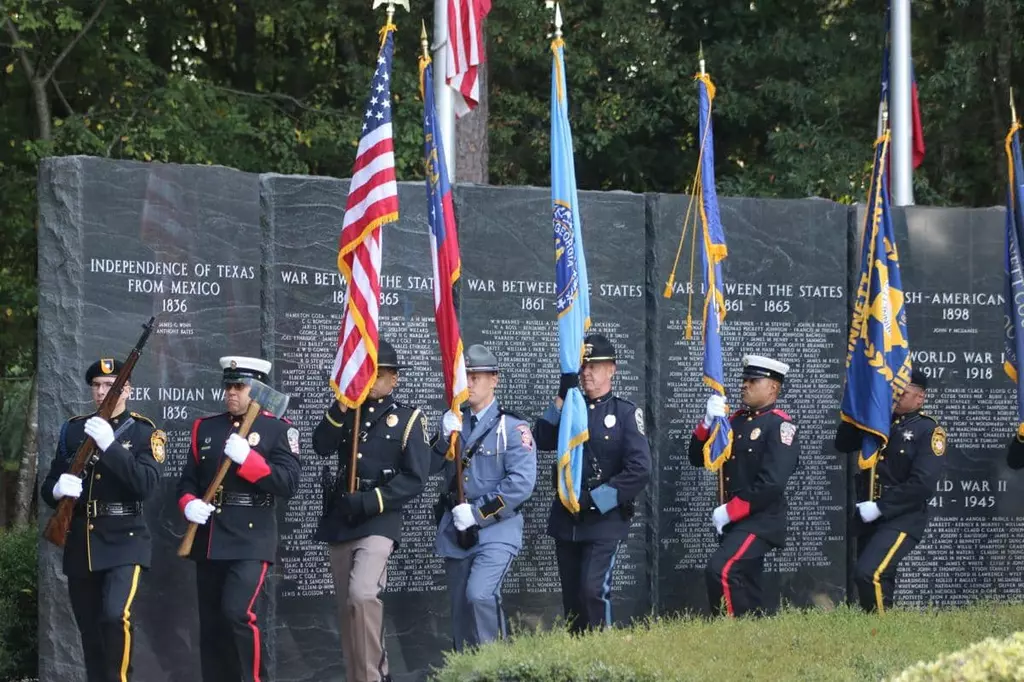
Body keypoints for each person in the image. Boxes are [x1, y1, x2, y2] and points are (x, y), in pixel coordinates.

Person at [175, 356, 301, 682]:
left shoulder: (278, 429)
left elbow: (288, 483)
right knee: (213, 624)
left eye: (239, 386)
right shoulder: (206, 427)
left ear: (257, 389)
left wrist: (249, 459)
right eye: (228, 386)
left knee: (236, 613)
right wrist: (189, 504)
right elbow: (188, 480)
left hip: (250, 538)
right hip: (210, 536)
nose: (231, 393)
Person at [311, 340, 429, 682]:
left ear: (394, 379)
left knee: (363, 594)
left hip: (379, 518)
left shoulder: (408, 419)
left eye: (380, 374)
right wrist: (342, 406)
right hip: (342, 518)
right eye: (368, 373)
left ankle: (376, 676)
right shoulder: (350, 410)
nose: (373, 380)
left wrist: (371, 500)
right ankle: (358, 677)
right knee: (348, 609)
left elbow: (415, 478)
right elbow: (321, 445)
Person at [41, 358, 163, 682]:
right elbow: (49, 483)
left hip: (125, 540)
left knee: (114, 616)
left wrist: (110, 446)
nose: (101, 391)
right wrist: (57, 489)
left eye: (110, 385)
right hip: (82, 540)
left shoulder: (142, 432)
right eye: (96, 385)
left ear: (127, 390)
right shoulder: (73, 429)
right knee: (91, 632)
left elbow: (145, 485)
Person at [534, 333, 651, 634]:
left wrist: (596, 499)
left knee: (593, 591)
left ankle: (602, 656)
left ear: (612, 369)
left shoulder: (625, 414)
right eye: (583, 366)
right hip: (567, 519)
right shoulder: (571, 407)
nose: (587, 372)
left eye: (595, 366)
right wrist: (561, 395)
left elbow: (639, 470)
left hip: (603, 519)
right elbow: (543, 438)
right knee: (573, 601)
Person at [430, 344, 537, 651]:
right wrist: (440, 441)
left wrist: (478, 514)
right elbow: (425, 467)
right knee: (461, 611)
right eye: (466, 377)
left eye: (476, 376)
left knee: (479, 594)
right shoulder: (453, 422)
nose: (470, 384)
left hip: (495, 529)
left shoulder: (513, 428)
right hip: (457, 531)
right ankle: (466, 668)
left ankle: (494, 662)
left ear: (494, 379)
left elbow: (520, 484)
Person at [688, 354, 800, 618]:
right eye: (744, 379)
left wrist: (730, 511)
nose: (744, 385)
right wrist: (706, 422)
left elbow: (772, 483)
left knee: (722, 569)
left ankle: (729, 629)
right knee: (747, 584)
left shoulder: (779, 426)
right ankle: (752, 633)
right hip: (737, 522)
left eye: (753, 380)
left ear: (773, 387)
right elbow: (696, 458)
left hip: (760, 521)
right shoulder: (734, 421)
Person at [835, 369, 946, 613]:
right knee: (878, 579)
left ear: (920, 398)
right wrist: (852, 404)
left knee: (868, 573)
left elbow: (923, 484)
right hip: (867, 514)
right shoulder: (877, 422)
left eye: (902, 392)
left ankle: (879, 632)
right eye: (893, 390)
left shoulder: (927, 430)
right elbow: (842, 443)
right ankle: (875, 634)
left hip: (901, 517)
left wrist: (881, 507)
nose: (895, 397)